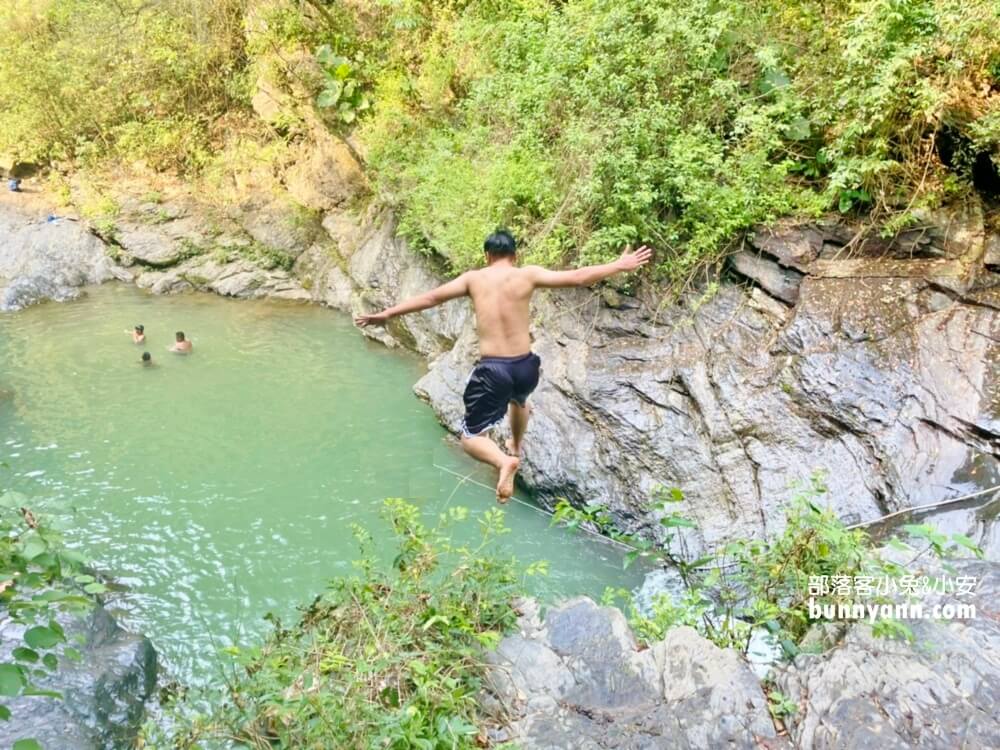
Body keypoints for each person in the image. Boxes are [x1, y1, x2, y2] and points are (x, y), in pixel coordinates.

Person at [355, 229, 652, 501]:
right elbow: (578, 277)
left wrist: (387, 314)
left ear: (487, 256)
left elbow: (431, 298)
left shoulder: (474, 279)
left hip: (493, 370)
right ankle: (516, 445)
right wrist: (618, 265)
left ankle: (504, 461)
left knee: (470, 438)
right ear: (515, 255)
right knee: (520, 398)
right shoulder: (528, 275)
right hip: (525, 366)